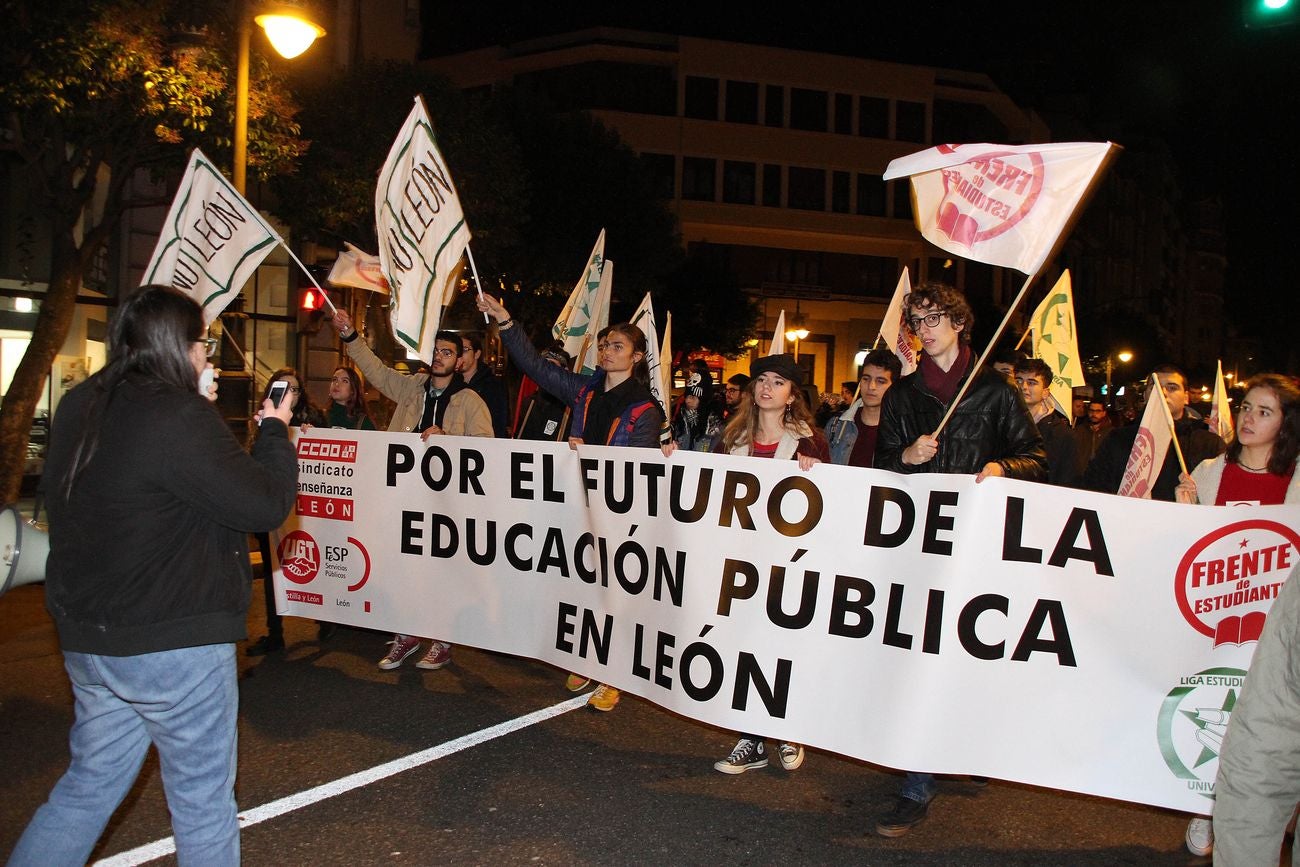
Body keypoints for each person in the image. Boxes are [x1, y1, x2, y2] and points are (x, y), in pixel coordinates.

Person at [7, 287, 297, 866]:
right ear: (177, 345)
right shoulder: (177, 414)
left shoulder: (81, 402)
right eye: (203, 346)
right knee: (202, 805)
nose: (208, 358)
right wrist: (273, 431)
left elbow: (153, 484)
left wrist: (195, 404)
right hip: (173, 639)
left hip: (93, 638)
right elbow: (262, 504)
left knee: (87, 788)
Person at [873, 281, 1047, 837]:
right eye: (916, 321)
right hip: (920, 542)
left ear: (958, 323)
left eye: (933, 318)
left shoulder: (994, 391)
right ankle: (915, 780)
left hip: (978, 543)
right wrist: (907, 454)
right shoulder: (902, 395)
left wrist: (1001, 469)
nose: (924, 329)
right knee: (921, 653)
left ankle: (959, 744)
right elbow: (882, 467)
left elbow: (1036, 457)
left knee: (965, 653)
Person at [477, 291, 664, 711]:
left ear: (636, 357)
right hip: (577, 506)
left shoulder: (644, 409)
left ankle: (612, 673)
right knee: (582, 586)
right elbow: (535, 366)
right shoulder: (584, 391)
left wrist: (594, 457)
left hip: (616, 514)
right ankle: (588, 654)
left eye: (617, 346)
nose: (606, 351)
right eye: (603, 345)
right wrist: (506, 321)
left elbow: (636, 469)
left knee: (613, 592)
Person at [1172, 374, 1300, 858]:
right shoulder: (1207, 470)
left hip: (1278, 627)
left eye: (1264, 411)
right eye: (1246, 407)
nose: (1249, 418)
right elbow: (1188, 552)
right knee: (1212, 708)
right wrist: (1183, 511)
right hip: (1220, 619)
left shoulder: (1297, 478)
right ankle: (1208, 805)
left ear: (1286, 424)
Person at [331, 308, 493, 672]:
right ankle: (407, 635)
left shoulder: (470, 402)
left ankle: (442, 639)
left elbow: (488, 451)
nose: (439, 356)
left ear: (461, 360)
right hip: (403, 496)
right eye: (435, 350)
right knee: (403, 567)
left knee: (440, 571)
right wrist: (350, 338)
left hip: (446, 504)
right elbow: (375, 372)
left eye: (448, 352)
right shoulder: (411, 387)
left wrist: (448, 440)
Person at [708, 353, 829, 776]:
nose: (766, 388)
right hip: (739, 560)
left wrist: (815, 476)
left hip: (785, 564)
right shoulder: (731, 437)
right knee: (744, 647)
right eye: (762, 380)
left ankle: (787, 726)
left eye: (778, 382)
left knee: (781, 649)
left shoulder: (810, 441)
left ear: (793, 394)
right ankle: (752, 736)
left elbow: (827, 507)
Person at [246, 367, 326, 656]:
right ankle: (274, 631)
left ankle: (325, 620)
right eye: (283, 387)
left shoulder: (313, 418)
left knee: (314, 563)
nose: (289, 393)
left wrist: (316, 436)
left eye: (294, 388)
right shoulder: (265, 419)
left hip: (307, 510)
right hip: (275, 503)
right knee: (271, 572)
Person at [1083, 365, 1225, 501]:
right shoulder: (1119, 439)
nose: (1162, 393)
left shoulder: (1209, 444)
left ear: (1186, 397)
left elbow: (1220, 494)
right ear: (1145, 395)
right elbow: (1094, 487)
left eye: (1172, 388)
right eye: (1155, 387)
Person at [825, 349, 900, 467]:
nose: (871, 386)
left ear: (894, 387)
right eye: (866, 379)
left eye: (880, 381)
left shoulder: (902, 430)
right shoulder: (837, 425)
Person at [1015, 357, 1081, 487]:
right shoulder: (999, 423)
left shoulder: (1062, 435)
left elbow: (1068, 482)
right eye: (1018, 381)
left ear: (1045, 392)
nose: (1023, 387)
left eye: (1032, 383)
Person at [514, 344, 573, 441]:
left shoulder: (570, 409)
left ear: (565, 371)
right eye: (543, 365)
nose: (546, 371)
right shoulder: (529, 403)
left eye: (551, 365)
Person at [460, 332, 511, 437]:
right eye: (457, 351)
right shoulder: (452, 384)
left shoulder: (492, 385)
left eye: (464, 350)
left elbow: (499, 423)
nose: (459, 355)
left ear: (477, 354)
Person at [671, 372, 723, 451]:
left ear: (703, 399)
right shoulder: (682, 418)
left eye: (693, 397)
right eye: (686, 396)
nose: (687, 400)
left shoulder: (714, 425)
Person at [325, 365, 376, 431]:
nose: (337, 384)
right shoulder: (320, 417)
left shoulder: (364, 423)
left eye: (344, 381)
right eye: (334, 379)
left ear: (353, 389)